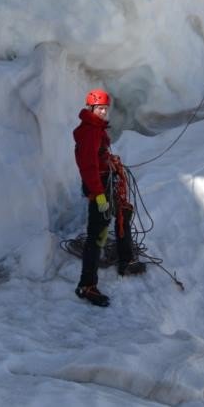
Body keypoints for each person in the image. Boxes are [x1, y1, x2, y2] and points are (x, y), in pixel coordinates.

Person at [73, 89, 145, 307]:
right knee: (98, 235)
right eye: (99, 108)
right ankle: (87, 286)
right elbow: (88, 167)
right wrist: (99, 195)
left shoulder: (96, 129)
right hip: (99, 189)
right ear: (91, 108)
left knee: (124, 213)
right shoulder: (89, 132)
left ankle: (126, 261)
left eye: (105, 108)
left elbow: (98, 160)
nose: (103, 112)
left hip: (107, 183)